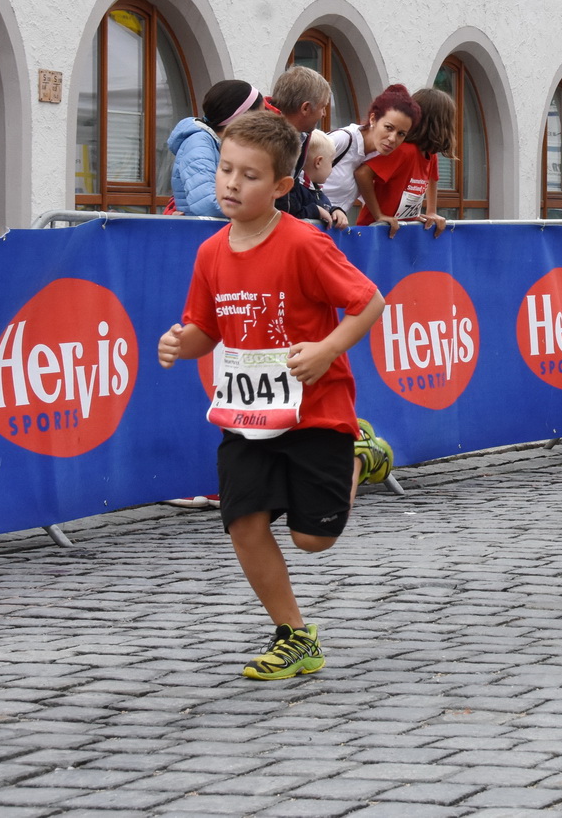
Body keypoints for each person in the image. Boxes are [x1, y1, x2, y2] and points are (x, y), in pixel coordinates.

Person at [157, 111, 389, 678]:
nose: (232, 184)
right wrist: (180, 343)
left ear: (283, 187)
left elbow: (370, 302)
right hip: (246, 414)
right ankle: (294, 635)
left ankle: (360, 452)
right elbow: (207, 331)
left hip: (315, 410)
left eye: (250, 175)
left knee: (313, 539)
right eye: (226, 170)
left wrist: (328, 349)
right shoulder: (210, 253)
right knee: (243, 521)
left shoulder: (303, 243)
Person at [356, 87, 454, 235]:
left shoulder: (430, 154)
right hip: (375, 231)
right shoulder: (405, 151)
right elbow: (362, 173)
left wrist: (432, 211)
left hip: (400, 231)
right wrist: (379, 215)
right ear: (441, 123)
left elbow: (433, 179)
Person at [168, 81, 269, 217]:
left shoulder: (219, 144)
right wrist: (258, 213)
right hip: (201, 235)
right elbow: (207, 204)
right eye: (261, 116)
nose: (265, 123)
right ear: (242, 117)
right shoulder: (199, 143)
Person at [267, 67, 348, 229]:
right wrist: (312, 211)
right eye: (322, 107)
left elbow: (295, 190)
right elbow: (278, 203)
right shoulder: (269, 137)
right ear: (305, 108)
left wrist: (328, 208)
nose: (324, 114)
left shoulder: (298, 136)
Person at [319, 85, 416, 218]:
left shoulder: (379, 155)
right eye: (388, 127)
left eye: (401, 134)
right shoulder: (342, 139)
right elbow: (298, 177)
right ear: (373, 119)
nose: (393, 139)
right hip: (305, 223)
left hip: (331, 229)